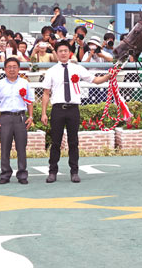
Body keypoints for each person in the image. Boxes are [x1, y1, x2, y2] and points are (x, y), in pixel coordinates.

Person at [41, 41, 111, 183]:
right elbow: (46, 93)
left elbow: (95, 80)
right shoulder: (51, 71)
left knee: (73, 142)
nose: (63, 53)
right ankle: (52, 171)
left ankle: (74, 172)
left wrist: (109, 76)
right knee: (55, 142)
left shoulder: (77, 68)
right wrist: (44, 113)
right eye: (60, 51)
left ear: (69, 52)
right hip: (57, 109)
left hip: (73, 109)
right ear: (57, 53)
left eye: (66, 50)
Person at [0, 57, 34, 185]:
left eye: (15, 66)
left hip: (21, 117)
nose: (12, 69)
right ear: (4, 69)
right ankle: (5, 174)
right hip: (5, 117)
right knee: (5, 147)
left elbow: (30, 101)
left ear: (19, 68)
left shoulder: (24, 83)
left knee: (21, 147)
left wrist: (30, 117)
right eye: (9, 67)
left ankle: (22, 174)